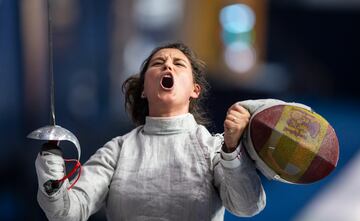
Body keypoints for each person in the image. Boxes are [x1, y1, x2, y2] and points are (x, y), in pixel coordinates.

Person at [35, 42, 266, 221]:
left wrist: (233, 149)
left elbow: (247, 206)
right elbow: (66, 213)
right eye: (158, 63)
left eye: (178, 64)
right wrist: (51, 167)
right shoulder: (118, 150)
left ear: (194, 90)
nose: (167, 65)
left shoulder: (214, 149)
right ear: (144, 89)